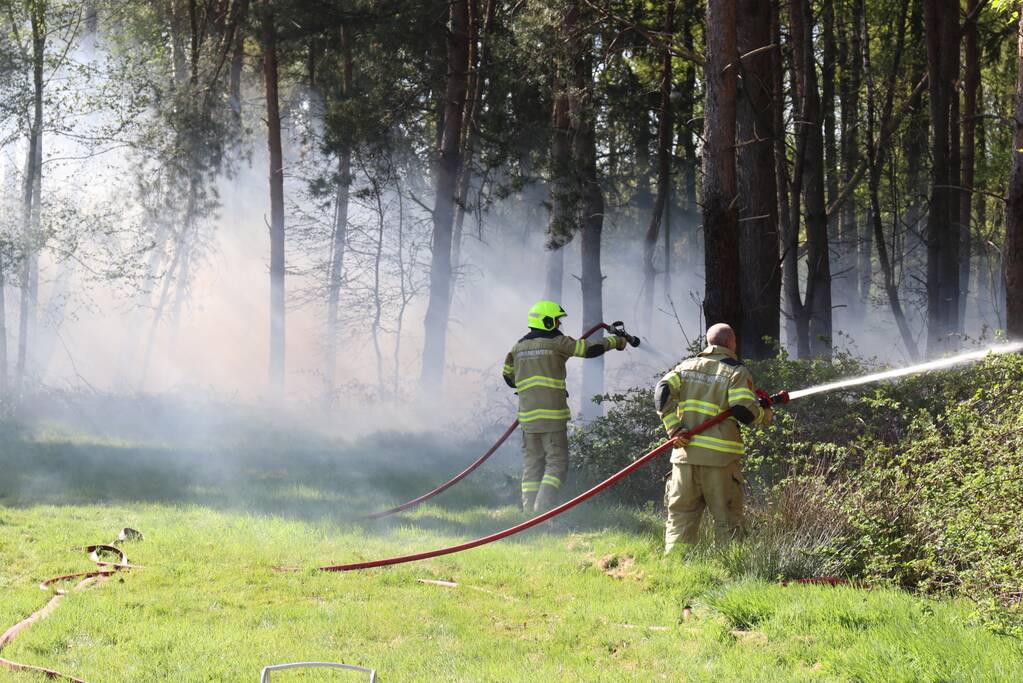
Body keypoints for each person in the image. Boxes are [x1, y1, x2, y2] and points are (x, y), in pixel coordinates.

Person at [653, 323, 772, 551]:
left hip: (684, 459)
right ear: (730, 343)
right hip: (720, 462)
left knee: (680, 519)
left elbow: (662, 391)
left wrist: (673, 429)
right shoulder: (736, 371)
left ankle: (674, 571)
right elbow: (744, 411)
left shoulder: (686, 367)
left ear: (709, 342)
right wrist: (765, 414)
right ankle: (727, 574)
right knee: (728, 522)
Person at [503, 300, 628, 513]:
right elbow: (589, 349)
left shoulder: (518, 348)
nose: (559, 324)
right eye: (557, 320)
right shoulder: (557, 343)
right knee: (557, 465)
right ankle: (541, 513)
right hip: (552, 418)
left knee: (532, 467)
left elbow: (508, 377)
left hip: (528, 419)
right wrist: (616, 341)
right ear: (546, 321)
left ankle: (527, 514)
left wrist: (533, 388)